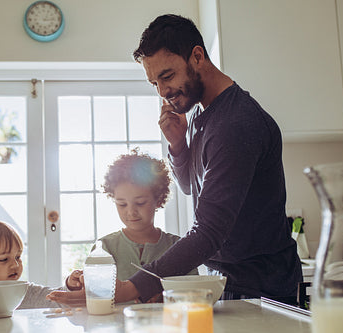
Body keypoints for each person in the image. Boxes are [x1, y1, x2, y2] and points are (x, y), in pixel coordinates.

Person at [48, 14, 302, 306]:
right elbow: (190, 186)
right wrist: (179, 146)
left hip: (263, 290)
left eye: (167, 76)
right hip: (227, 282)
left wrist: (131, 288)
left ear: (197, 56)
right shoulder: (198, 115)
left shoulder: (235, 123)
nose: (162, 92)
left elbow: (208, 231)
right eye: (154, 82)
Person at [66, 149, 197, 292]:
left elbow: (194, 292)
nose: (130, 212)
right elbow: (92, 292)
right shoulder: (104, 247)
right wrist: (74, 283)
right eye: (122, 204)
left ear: (158, 200)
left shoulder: (177, 246)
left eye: (140, 203)